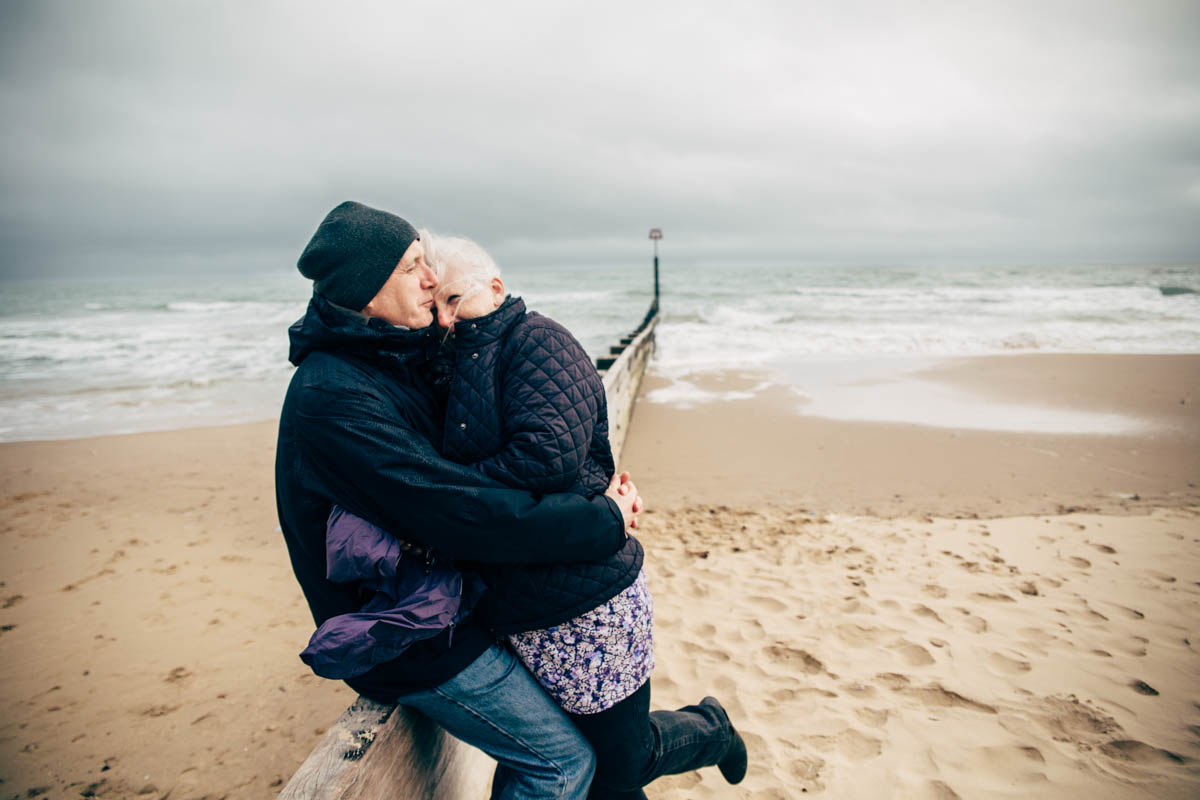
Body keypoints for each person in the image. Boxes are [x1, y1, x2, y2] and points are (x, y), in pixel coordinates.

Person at [322, 229, 748, 799]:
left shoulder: (538, 342)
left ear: (495, 288)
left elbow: (543, 460)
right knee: (588, 761)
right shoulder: (449, 363)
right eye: (437, 302)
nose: (445, 318)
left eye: (456, 300)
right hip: (520, 611)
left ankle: (712, 728)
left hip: (588, 599)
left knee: (624, 761)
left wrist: (445, 500)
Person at [276, 200, 643, 799]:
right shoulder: (334, 396)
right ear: (366, 291)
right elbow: (458, 511)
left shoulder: (397, 358)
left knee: (604, 749)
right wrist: (601, 521)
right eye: (410, 267)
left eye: (428, 265)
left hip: (449, 598)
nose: (430, 279)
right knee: (561, 765)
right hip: (402, 630)